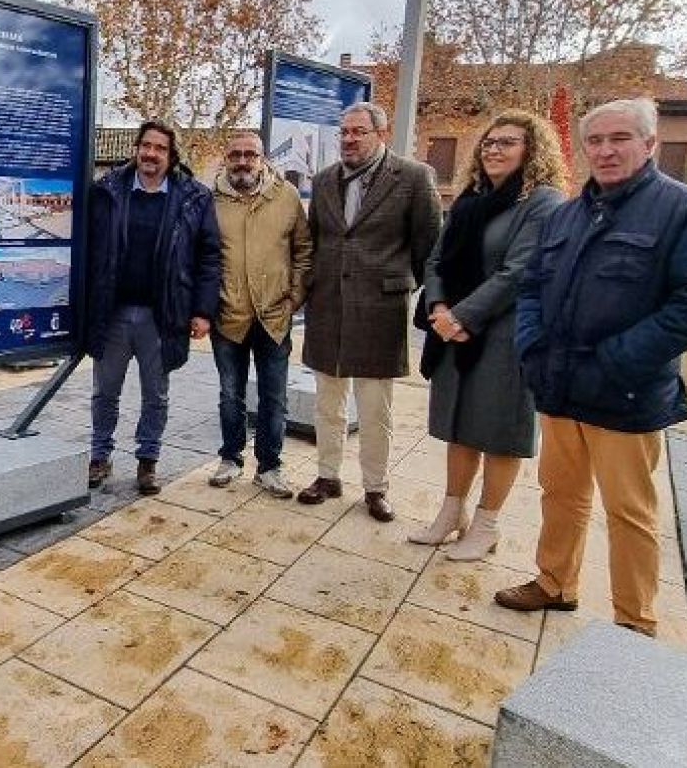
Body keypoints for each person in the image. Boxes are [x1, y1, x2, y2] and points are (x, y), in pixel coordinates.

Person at [495, 98, 687, 637]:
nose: (606, 151)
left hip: (626, 393)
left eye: (620, 139)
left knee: (629, 512)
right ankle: (554, 582)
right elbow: (535, 286)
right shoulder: (569, 212)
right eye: (596, 141)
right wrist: (530, 347)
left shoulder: (684, 210)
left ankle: (635, 622)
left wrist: (617, 359)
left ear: (650, 144)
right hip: (559, 385)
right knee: (561, 493)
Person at [409, 110, 565, 559]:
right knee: (460, 426)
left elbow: (520, 271)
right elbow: (436, 260)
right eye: (489, 142)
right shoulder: (470, 199)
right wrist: (439, 307)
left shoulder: (543, 202)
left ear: (531, 150)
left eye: (508, 142)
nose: (493, 149)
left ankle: (487, 525)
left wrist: (461, 317)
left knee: (499, 431)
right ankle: (451, 513)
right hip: (453, 330)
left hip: (506, 335)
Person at [299, 101, 442, 522]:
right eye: (344, 132)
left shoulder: (414, 178)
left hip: (381, 310)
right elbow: (317, 241)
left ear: (381, 134)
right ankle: (327, 477)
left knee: (375, 408)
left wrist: (402, 287)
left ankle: (375, 488)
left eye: (358, 131)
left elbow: (428, 247)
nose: (349, 139)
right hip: (327, 308)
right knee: (328, 403)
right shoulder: (324, 180)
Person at [85, 121, 221, 495]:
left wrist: (203, 311)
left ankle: (148, 461)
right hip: (113, 312)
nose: (150, 153)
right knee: (104, 392)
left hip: (163, 316)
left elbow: (209, 258)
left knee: (156, 395)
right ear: (136, 148)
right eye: (145, 145)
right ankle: (100, 455)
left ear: (171, 155)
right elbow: (89, 250)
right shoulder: (107, 191)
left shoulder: (194, 197)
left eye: (160, 148)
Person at [207, 131, 312, 498]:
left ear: (263, 158)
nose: (242, 161)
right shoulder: (211, 200)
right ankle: (231, 458)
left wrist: (294, 298)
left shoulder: (285, 196)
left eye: (250, 154)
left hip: (274, 315)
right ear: (226, 158)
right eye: (235, 153)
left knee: (274, 397)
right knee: (230, 395)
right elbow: (201, 255)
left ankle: (270, 467)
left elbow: (303, 249)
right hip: (228, 316)